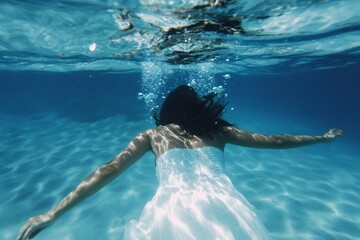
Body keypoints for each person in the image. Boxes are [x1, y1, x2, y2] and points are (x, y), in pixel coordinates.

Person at [17, 85, 343, 240]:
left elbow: (107, 171)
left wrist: (53, 213)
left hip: (171, 214)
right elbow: (275, 141)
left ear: (167, 109)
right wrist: (321, 138)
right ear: (200, 107)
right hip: (229, 211)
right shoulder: (219, 131)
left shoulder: (153, 135)